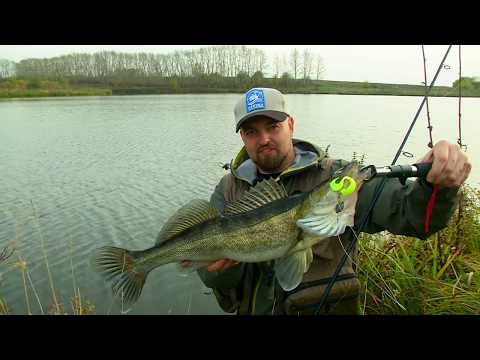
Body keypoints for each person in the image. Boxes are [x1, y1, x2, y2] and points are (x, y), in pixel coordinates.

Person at [197, 87, 471, 315]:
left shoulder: (338, 181)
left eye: (273, 126)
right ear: (242, 137)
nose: (265, 139)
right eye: (251, 132)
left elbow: (414, 217)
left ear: (290, 125)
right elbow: (213, 275)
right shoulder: (228, 190)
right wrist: (215, 272)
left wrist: (438, 187)